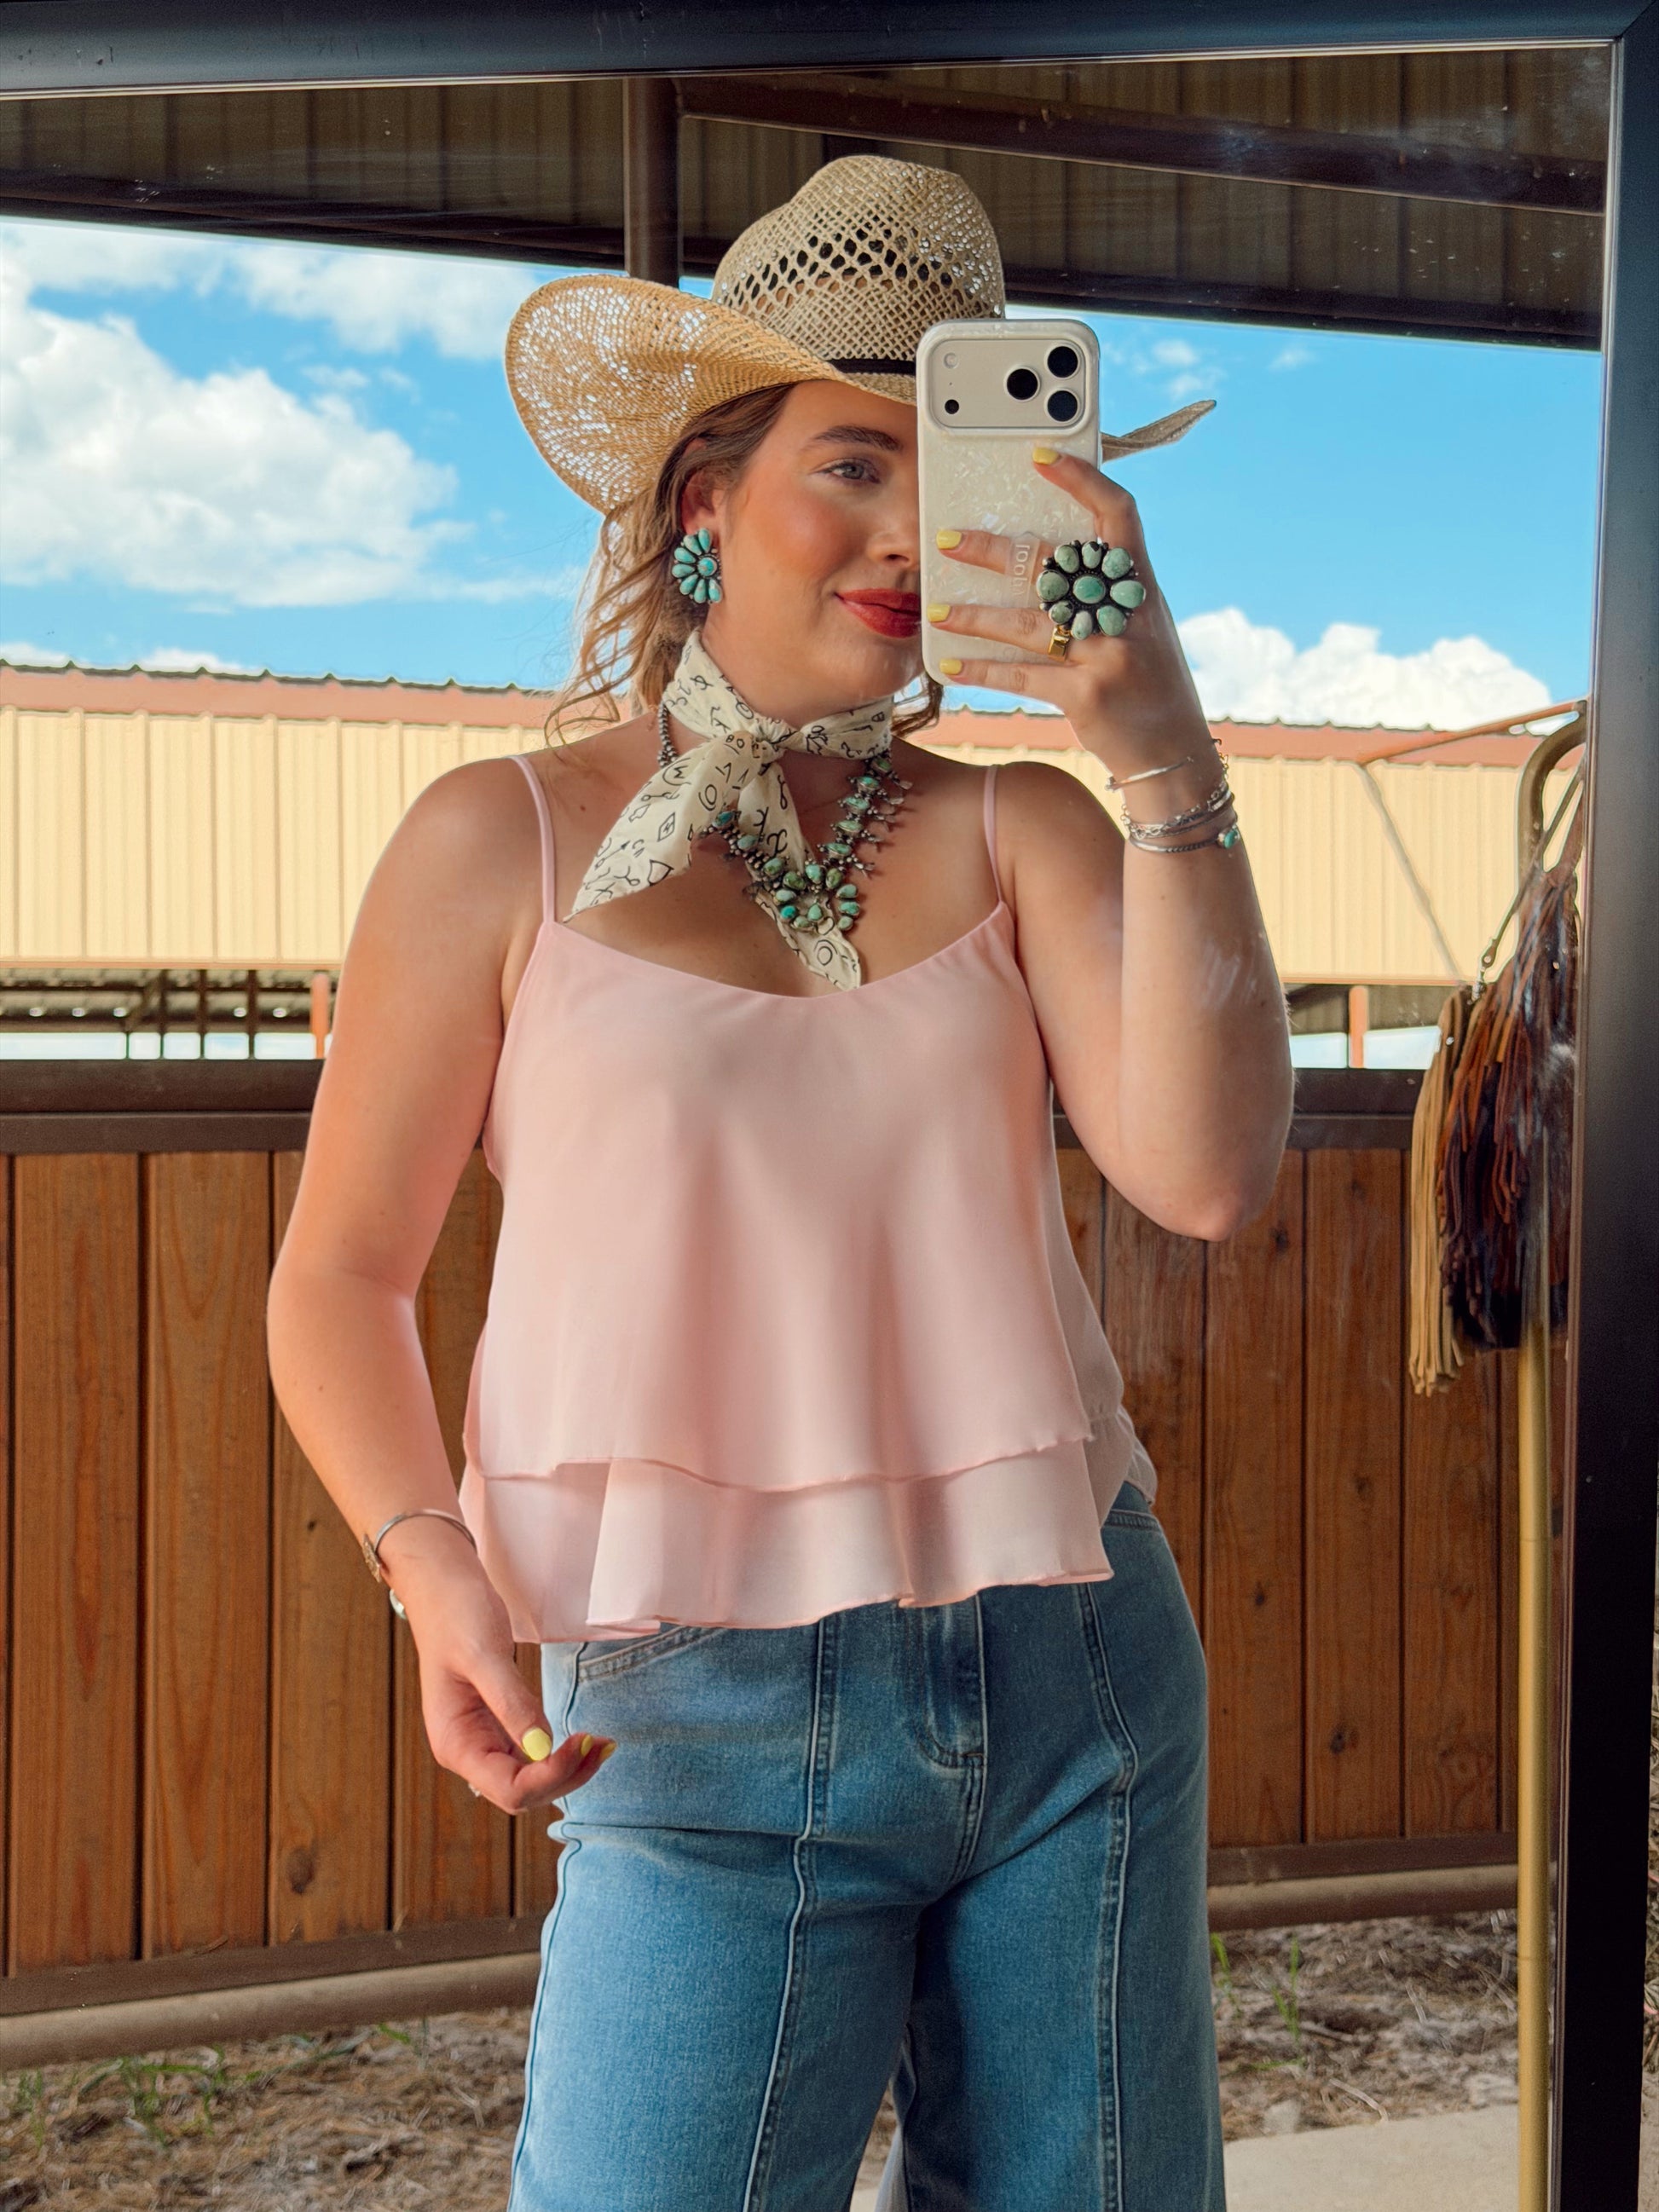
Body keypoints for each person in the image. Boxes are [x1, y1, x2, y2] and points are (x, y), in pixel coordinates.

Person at [266, 155, 1292, 2212]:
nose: (911, 528)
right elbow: (341, 1275)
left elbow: (1203, 1175)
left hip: (1072, 1664)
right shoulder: (497, 840)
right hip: (688, 1707)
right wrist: (430, 1562)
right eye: (851, 461)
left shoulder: (1025, 828)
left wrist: (1160, 747)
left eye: (954, 465)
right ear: (700, 498)